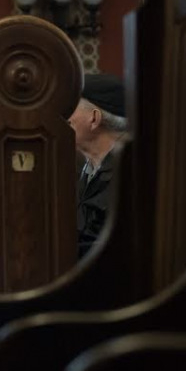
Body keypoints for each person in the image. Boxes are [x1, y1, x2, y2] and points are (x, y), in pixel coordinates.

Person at [67, 73, 128, 258]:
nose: (63, 118)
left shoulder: (129, 172)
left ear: (94, 118)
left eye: (70, 108)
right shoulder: (85, 167)